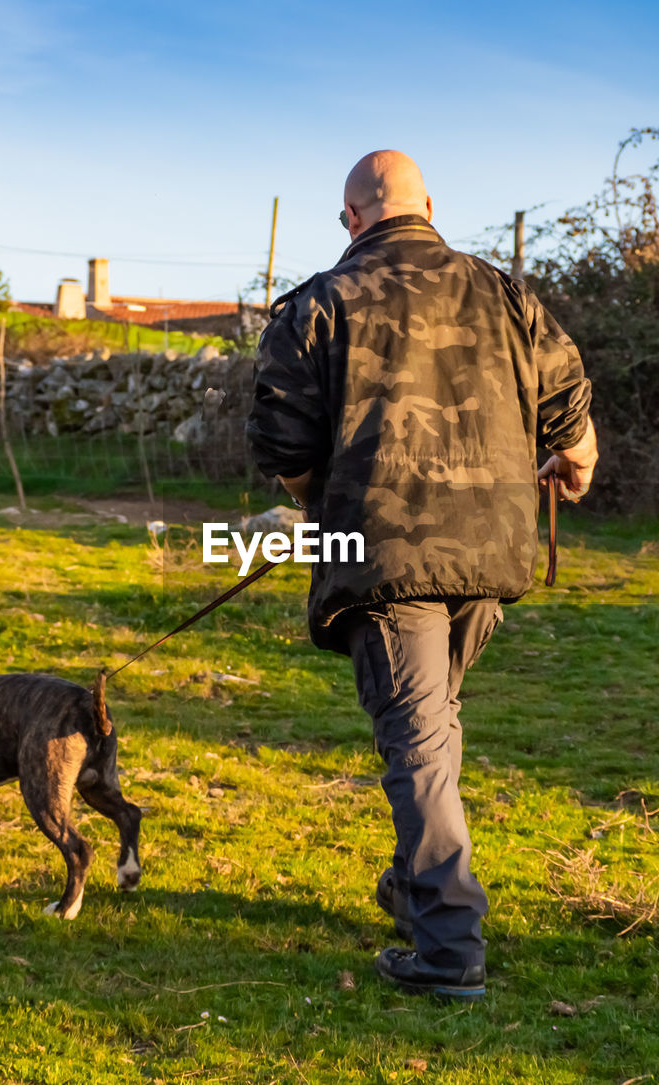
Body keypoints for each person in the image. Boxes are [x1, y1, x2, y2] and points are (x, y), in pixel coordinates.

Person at [246, 150, 597, 1000]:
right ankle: (415, 890)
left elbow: (283, 443)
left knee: (419, 740)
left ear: (351, 217)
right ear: (429, 205)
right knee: (430, 727)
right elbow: (570, 404)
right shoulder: (508, 294)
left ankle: (448, 946)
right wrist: (577, 459)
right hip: (492, 549)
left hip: (384, 554)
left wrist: (316, 505)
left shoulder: (318, 304)